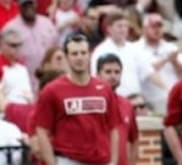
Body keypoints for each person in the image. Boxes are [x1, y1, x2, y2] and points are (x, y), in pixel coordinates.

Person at [34, 33, 121, 165]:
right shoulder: (51, 91)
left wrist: (113, 161)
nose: (79, 58)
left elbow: (114, 128)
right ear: (67, 57)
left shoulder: (104, 89)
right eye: (74, 54)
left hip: (101, 160)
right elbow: (41, 131)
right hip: (68, 160)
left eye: (83, 53)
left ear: (89, 55)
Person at [96, 53, 139, 165]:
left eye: (117, 72)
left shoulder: (127, 105)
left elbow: (134, 139)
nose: (113, 76)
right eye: (108, 72)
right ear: (97, 75)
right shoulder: (90, 103)